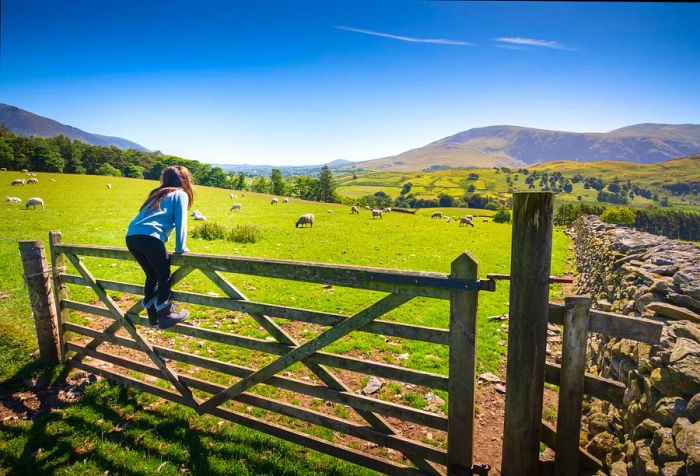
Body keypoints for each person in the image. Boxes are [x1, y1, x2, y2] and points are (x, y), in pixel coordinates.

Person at [126, 165, 193, 329]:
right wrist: (180, 248)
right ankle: (166, 314)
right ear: (185, 180)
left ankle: (153, 315)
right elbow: (181, 223)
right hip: (150, 237)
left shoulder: (157, 193)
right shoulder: (180, 194)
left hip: (131, 236)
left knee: (152, 275)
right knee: (164, 275)